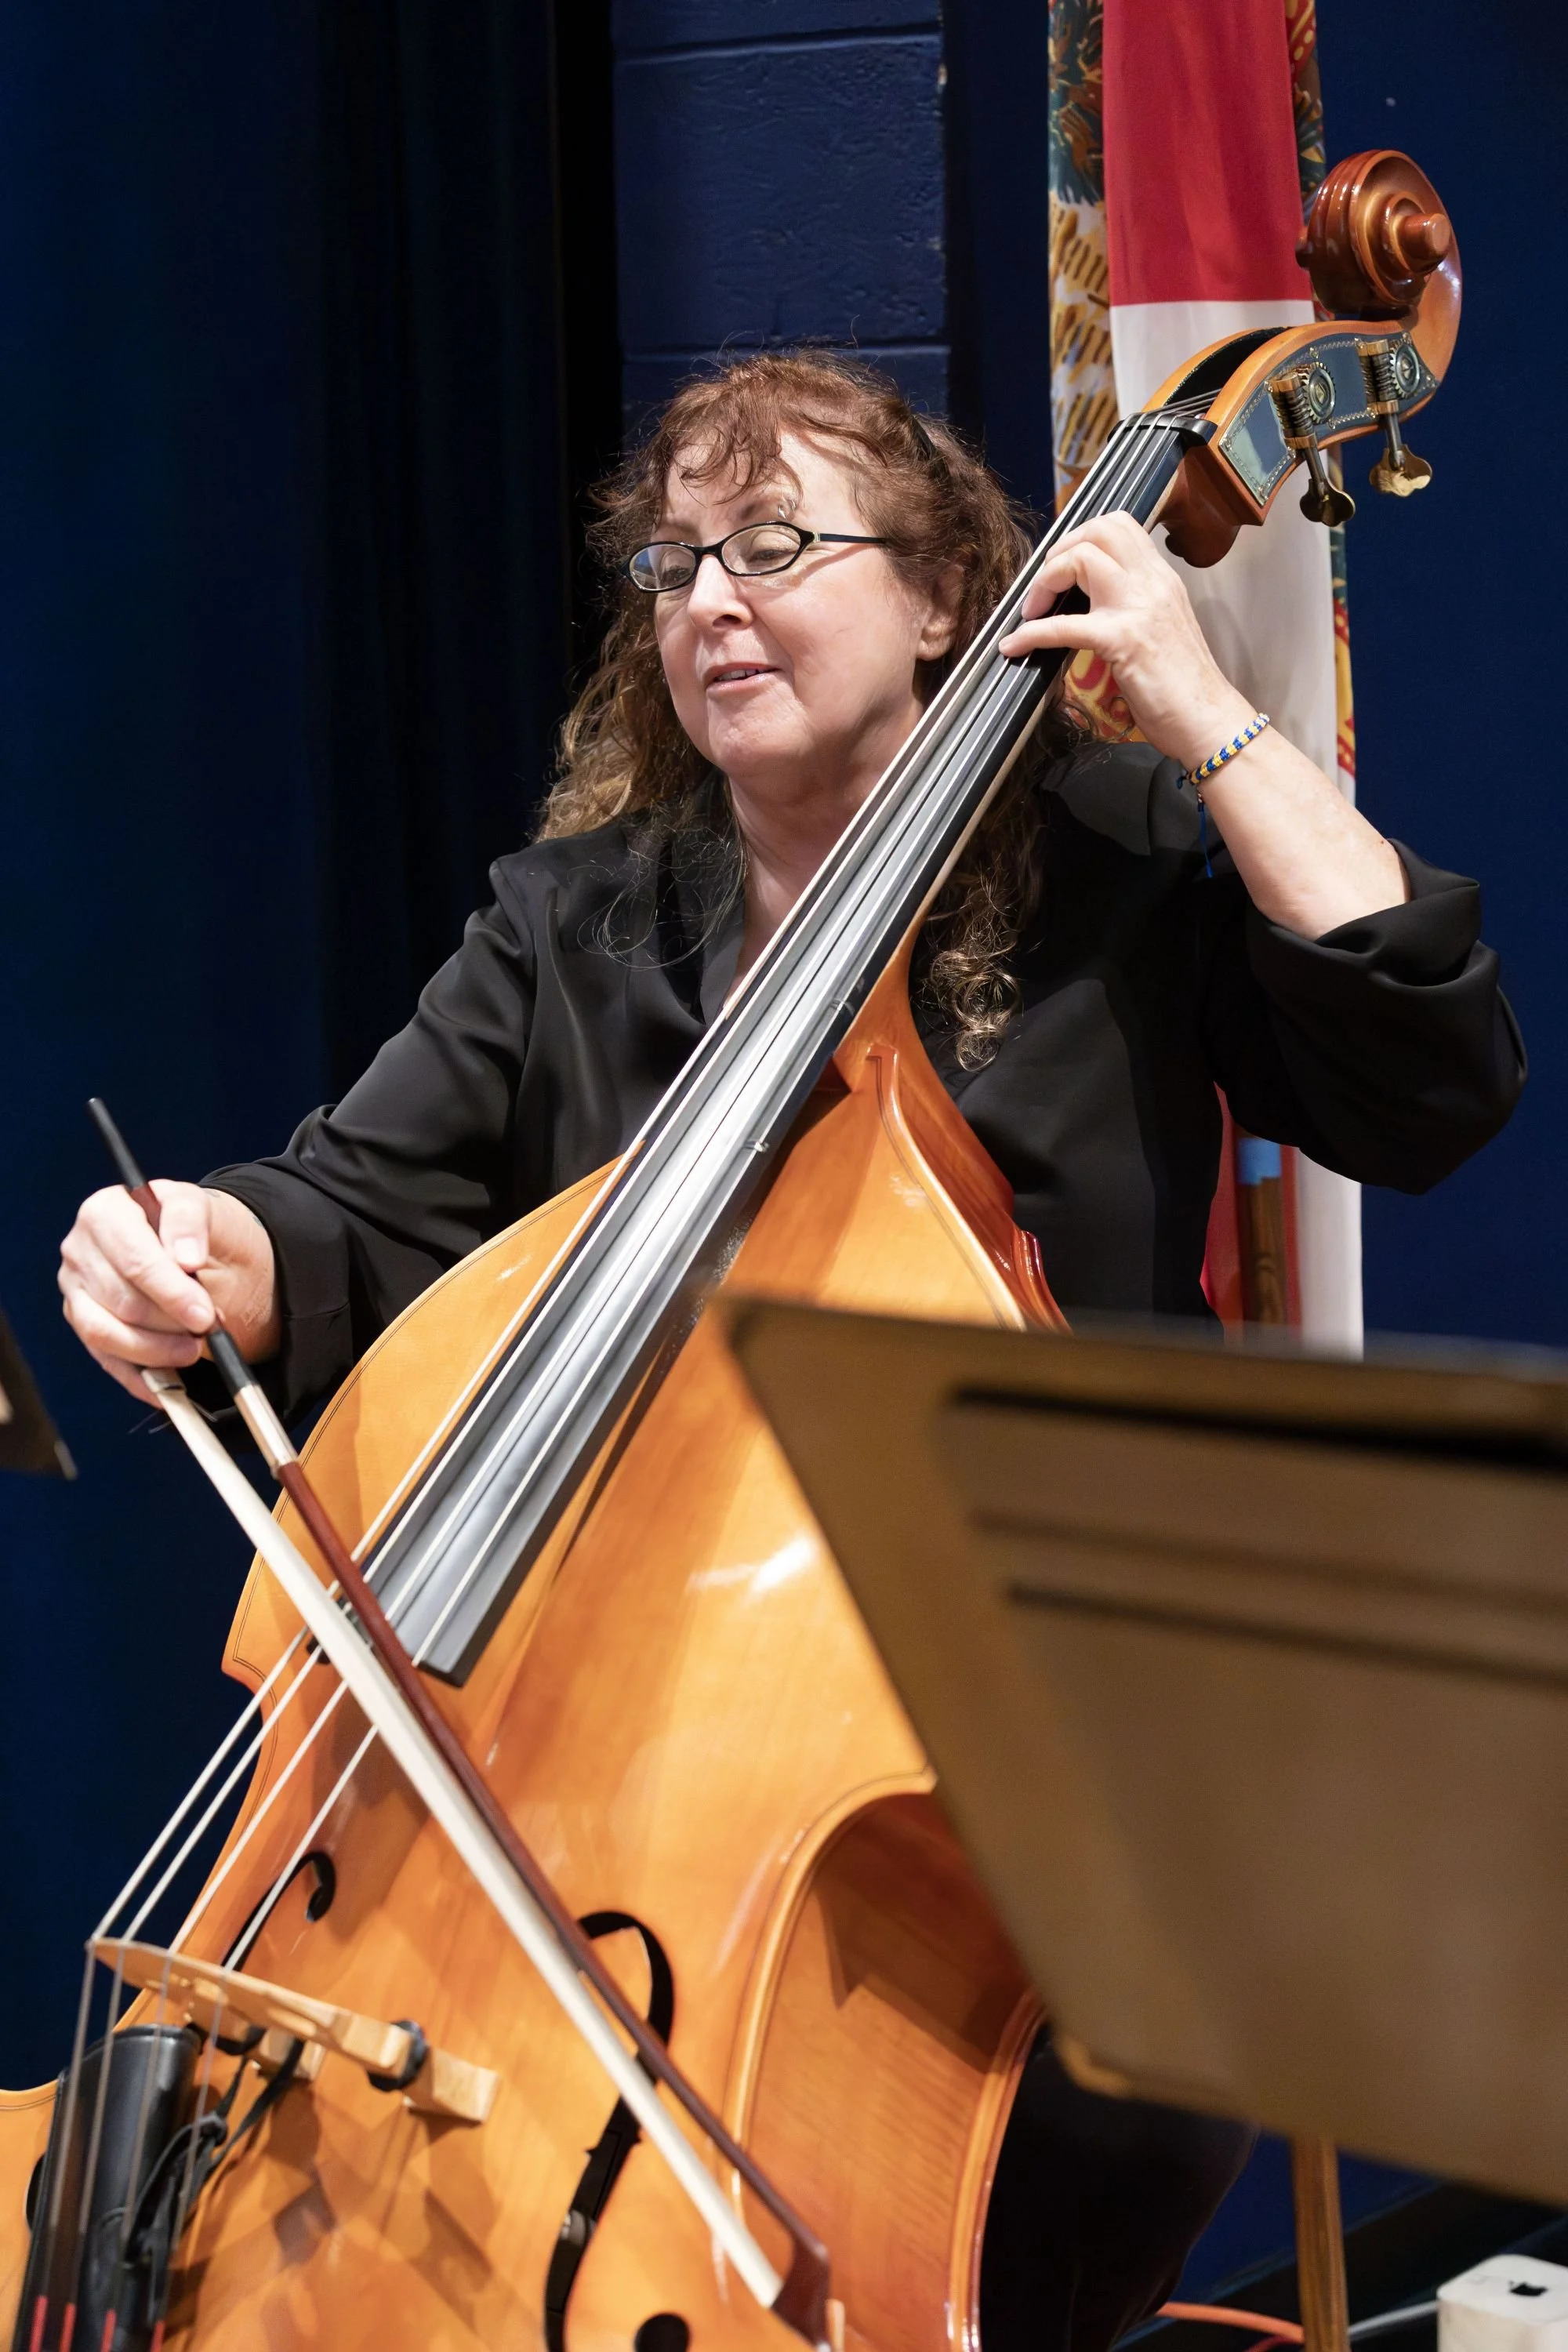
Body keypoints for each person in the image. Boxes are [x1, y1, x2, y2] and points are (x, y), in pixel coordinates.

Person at [57, 354, 1523, 2349]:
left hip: (1035, 1754)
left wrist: (1201, 713)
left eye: (772, 548)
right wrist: (202, 1254)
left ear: (942, 596)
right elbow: (342, 1216)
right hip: (616, 1742)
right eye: (671, 564)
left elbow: (1432, 1076)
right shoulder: (578, 927)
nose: (707, 603)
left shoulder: (1108, 871)